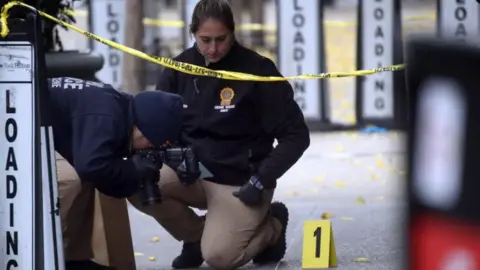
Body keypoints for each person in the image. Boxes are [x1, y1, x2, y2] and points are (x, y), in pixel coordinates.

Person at [127, 0, 310, 269]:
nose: (213, 48)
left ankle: (273, 226)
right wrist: (170, 156)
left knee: (220, 258)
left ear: (233, 33)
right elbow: (156, 127)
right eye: (205, 40)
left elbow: (296, 136)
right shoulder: (178, 69)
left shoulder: (258, 71)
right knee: (134, 182)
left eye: (221, 39)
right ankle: (195, 236)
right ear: (193, 34)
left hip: (241, 181)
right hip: (191, 173)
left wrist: (261, 179)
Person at [48, 77, 183, 270]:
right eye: (151, 145)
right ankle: (46, 257)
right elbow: (90, 166)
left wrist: (133, 178)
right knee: (72, 178)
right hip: (16, 133)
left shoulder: (119, 107)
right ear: (142, 131)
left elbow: (104, 176)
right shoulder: (107, 116)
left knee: (92, 170)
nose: (148, 149)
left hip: (38, 134)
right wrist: (133, 169)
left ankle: (73, 259)